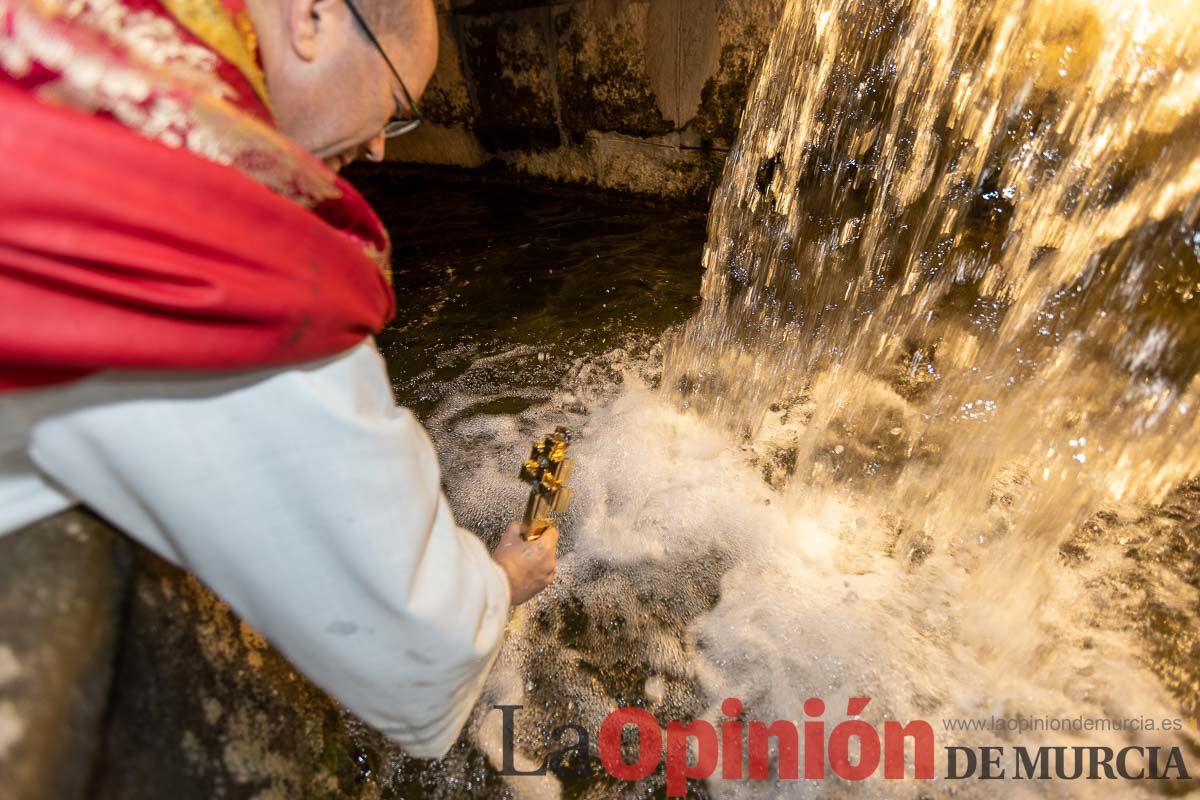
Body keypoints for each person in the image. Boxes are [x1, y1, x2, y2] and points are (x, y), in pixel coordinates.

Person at [0, 0, 558, 758]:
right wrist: (497, 585)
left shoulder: (97, 40)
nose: (380, 149)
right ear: (317, 19)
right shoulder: (212, 230)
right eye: (394, 105)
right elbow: (401, 616)